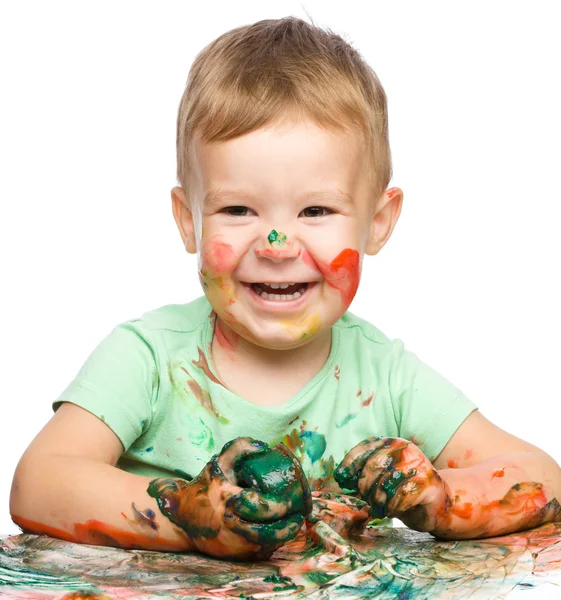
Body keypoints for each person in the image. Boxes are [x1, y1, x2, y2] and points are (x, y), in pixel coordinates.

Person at [10, 16, 561, 561]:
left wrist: (442, 498)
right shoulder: (150, 358)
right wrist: (197, 517)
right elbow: (39, 482)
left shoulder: (387, 378)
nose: (276, 244)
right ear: (188, 221)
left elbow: (540, 476)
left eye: (316, 209)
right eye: (237, 208)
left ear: (377, 222)